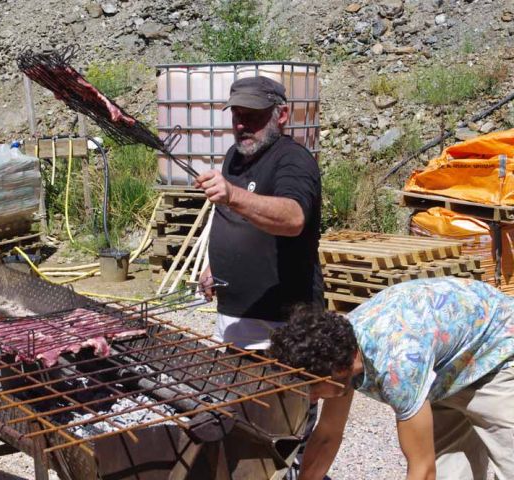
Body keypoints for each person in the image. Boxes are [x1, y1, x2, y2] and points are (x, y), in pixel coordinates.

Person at [269, 277, 514, 480]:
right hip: (444, 362)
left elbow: (421, 469)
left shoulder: (398, 368)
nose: (310, 397)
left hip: (499, 351)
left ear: (340, 369)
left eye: (312, 389)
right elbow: (327, 436)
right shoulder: (339, 349)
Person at [195, 75, 323, 350]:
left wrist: (232, 194)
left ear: (282, 115)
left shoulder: (293, 159)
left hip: (281, 326)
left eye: (253, 116)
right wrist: (214, 265)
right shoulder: (234, 156)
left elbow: (294, 218)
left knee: (274, 394)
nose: (242, 125)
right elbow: (230, 218)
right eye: (237, 115)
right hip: (233, 317)